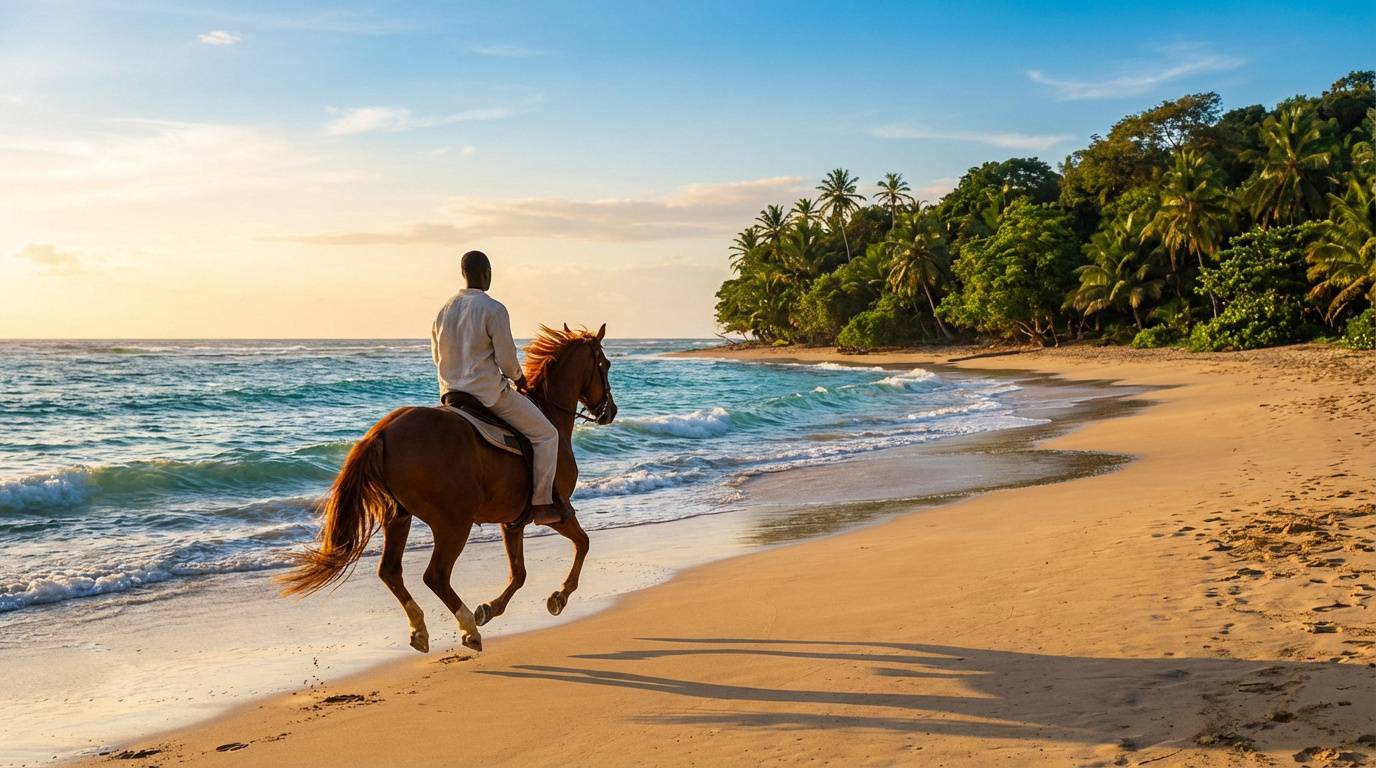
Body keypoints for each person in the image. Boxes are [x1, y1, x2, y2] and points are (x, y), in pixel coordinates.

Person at [431, 250, 569, 525]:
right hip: (488, 396)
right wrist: (519, 379)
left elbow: (438, 356)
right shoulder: (493, 308)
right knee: (547, 435)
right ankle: (541, 505)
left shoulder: (443, 310)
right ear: (487, 273)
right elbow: (506, 359)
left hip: (450, 395)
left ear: (463, 274)